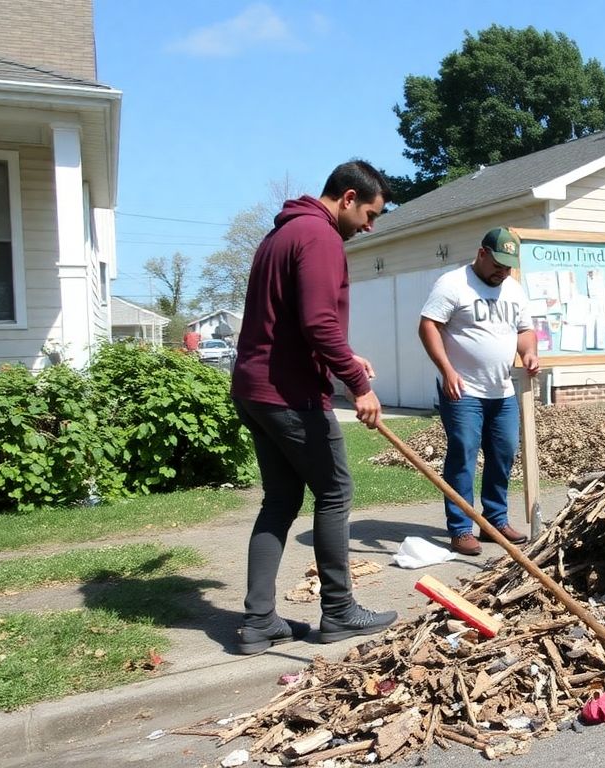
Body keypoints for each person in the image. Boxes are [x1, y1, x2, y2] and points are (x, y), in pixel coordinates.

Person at [230, 160, 398, 654]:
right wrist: (357, 385)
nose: (369, 226)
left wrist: (347, 358)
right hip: (289, 395)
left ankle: (259, 622)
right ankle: (340, 611)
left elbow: (290, 322)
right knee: (334, 492)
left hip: (254, 389)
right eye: (370, 213)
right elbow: (319, 322)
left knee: (280, 501)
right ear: (348, 197)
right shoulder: (320, 237)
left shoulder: (279, 235)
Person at [419, 227, 541, 556]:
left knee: (503, 453)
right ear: (482, 253)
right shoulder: (453, 284)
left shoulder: (513, 290)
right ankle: (460, 528)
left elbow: (525, 330)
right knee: (464, 453)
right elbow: (428, 325)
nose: (502, 272)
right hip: (463, 390)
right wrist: (446, 370)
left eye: (508, 267)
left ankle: (494, 521)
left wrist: (528, 352)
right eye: (498, 264)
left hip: (501, 391)